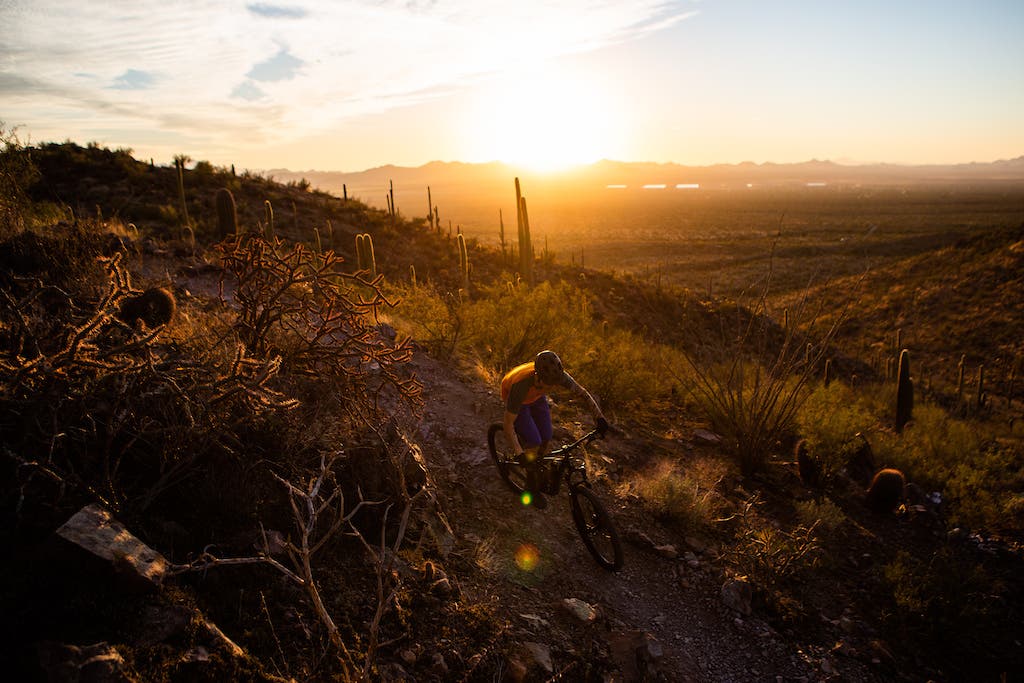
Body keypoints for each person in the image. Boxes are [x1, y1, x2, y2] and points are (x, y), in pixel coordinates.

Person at [500, 350, 608, 509]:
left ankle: (538, 463)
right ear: (538, 376)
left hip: (536, 396)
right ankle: (530, 485)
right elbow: (508, 425)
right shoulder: (521, 386)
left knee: (547, 435)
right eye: (548, 383)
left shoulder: (558, 376)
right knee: (534, 440)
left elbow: (583, 394)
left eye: (554, 383)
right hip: (517, 397)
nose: (552, 386)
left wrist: (599, 417)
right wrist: (520, 454)